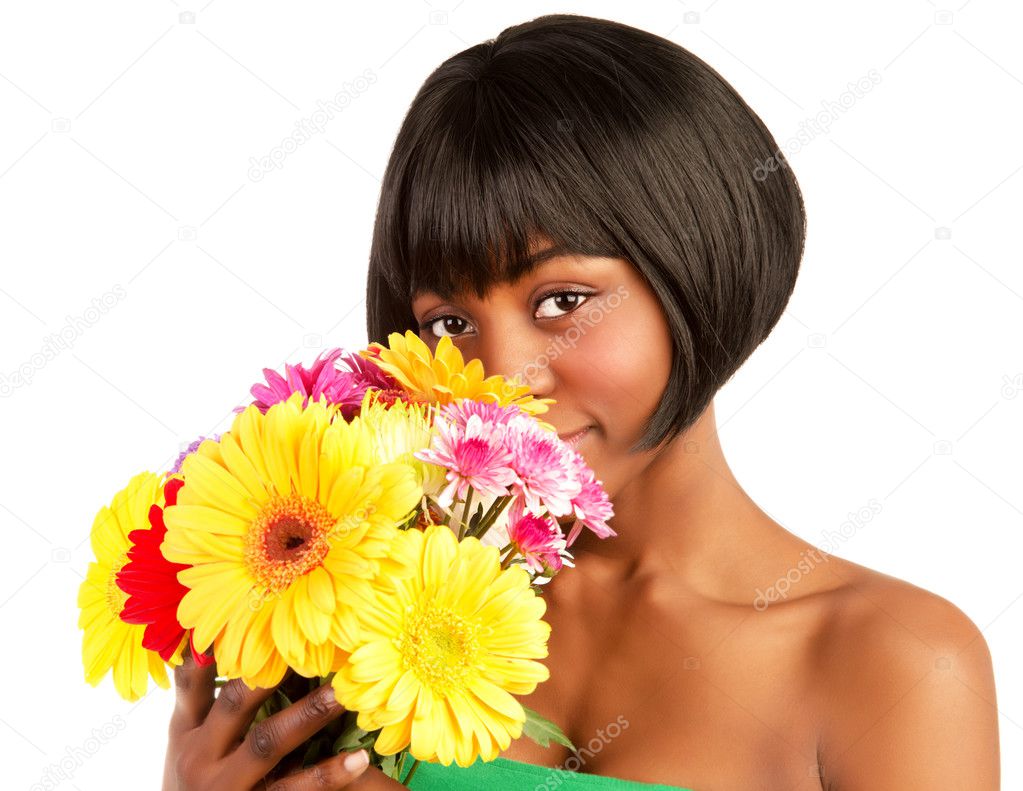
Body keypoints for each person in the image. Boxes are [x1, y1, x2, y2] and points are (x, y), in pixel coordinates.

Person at [165, 13, 1000, 790]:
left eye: (561, 301)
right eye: (449, 322)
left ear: (697, 271)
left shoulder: (893, 661)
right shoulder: (339, 611)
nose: (502, 379)